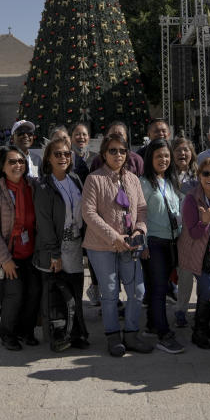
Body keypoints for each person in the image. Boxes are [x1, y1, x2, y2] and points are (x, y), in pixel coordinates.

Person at [82, 132, 153, 356]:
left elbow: (141, 209)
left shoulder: (133, 179)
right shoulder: (94, 179)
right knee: (110, 293)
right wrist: (114, 237)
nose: (118, 155)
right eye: (113, 150)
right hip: (102, 246)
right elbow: (89, 213)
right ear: (104, 154)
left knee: (137, 291)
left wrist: (140, 230)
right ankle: (113, 336)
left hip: (130, 246)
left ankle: (131, 333)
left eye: (122, 151)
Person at [0, 145, 41, 351]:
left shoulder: (32, 186)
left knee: (33, 293)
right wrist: (5, 260)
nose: (18, 165)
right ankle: (8, 333)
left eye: (21, 161)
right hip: (10, 253)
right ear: (3, 166)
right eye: (12, 162)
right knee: (14, 295)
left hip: (31, 252)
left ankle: (26, 331)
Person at [34, 136, 89, 352]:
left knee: (75, 292)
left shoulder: (75, 179)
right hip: (55, 248)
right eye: (57, 154)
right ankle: (58, 336)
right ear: (48, 158)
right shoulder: (43, 186)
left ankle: (77, 333)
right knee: (55, 296)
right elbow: (45, 224)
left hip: (74, 245)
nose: (63, 157)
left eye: (67, 154)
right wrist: (54, 254)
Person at [177, 156, 210, 349]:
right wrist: (206, 221)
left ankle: (206, 326)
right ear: (199, 175)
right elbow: (193, 232)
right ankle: (198, 331)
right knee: (207, 289)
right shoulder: (192, 199)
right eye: (206, 173)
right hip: (196, 252)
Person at [139, 139, 185, 354]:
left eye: (166, 156)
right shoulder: (144, 183)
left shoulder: (170, 180)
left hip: (172, 242)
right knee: (158, 290)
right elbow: (138, 215)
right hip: (154, 243)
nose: (163, 160)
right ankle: (163, 334)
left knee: (160, 287)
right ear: (150, 158)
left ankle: (151, 325)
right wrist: (143, 244)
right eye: (158, 156)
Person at [170, 136, 198, 328]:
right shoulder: (165, 176)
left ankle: (185, 309)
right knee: (179, 272)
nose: (182, 153)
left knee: (188, 273)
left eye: (185, 150)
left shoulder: (198, 176)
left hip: (194, 233)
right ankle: (178, 307)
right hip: (171, 232)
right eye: (178, 150)